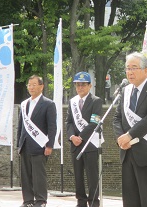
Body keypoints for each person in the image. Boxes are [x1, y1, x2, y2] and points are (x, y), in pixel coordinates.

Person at [113, 52, 147, 207]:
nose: (130, 72)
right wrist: (120, 139)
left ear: (145, 70)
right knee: (130, 201)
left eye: (134, 68)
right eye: (127, 68)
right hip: (127, 153)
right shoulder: (125, 91)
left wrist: (129, 135)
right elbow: (117, 118)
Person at [17, 75, 57, 207]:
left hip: (40, 145)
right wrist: (19, 144)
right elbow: (21, 126)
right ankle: (27, 200)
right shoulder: (24, 104)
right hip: (25, 145)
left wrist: (50, 145)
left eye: (34, 84)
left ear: (41, 86)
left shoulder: (48, 104)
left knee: (39, 175)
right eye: (29, 84)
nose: (31, 87)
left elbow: (52, 126)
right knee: (26, 175)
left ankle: (40, 201)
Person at [66, 72, 103, 207]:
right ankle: (80, 201)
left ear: (89, 86)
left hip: (90, 144)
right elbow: (68, 122)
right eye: (77, 85)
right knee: (78, 176)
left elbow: (95, 122)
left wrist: (80, 137)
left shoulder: (96, 101)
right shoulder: (73, 102)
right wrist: (72, 137)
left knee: (92, 176)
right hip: (75, 145)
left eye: (83, 85)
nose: (80, 87)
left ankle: (94, 202)